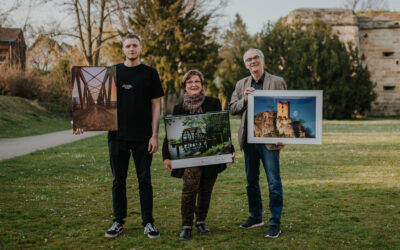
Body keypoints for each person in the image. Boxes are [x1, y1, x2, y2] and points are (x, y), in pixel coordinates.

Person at [74, 34, 164, 239]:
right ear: (123, 49)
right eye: (127, 46)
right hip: (117, 136)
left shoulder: (150, 73)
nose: (131, 49)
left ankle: (148, 223)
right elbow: (94, 102)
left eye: (134, 45)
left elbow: (156, 105)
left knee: (145, 180)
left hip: (143, 136)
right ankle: (118, 221)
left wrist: (155, 135)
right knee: (118, 181)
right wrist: (81, 122)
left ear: (140, 48)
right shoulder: (111, 73)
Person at [162, 69, 234, 240]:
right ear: (184, 86)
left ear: (202, 85)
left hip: (211, 155)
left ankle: (201, 221)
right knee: (189, 189)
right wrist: (166, 156)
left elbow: (222, 128)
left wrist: (230, 151)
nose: (193, 84)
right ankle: (186, 225)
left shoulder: (213, 103)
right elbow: (171, 133)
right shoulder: (179, 107)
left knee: (206, 190)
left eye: (196, 81)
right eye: (189, 82)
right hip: (189, 157)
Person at [229, 48, 286, 238]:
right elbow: (232, 108)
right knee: (251, 182)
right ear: (245, 64)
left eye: (255, 58)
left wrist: (284, 135)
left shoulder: (277, 81)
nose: (252, 61)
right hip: (249, 140)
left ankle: (275, 222)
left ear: (262, 60)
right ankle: (255, 216)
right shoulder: (241, 84)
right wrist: (244, 99)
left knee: (274, 183)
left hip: (269, 139)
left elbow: (286, 107)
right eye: (249, 59)